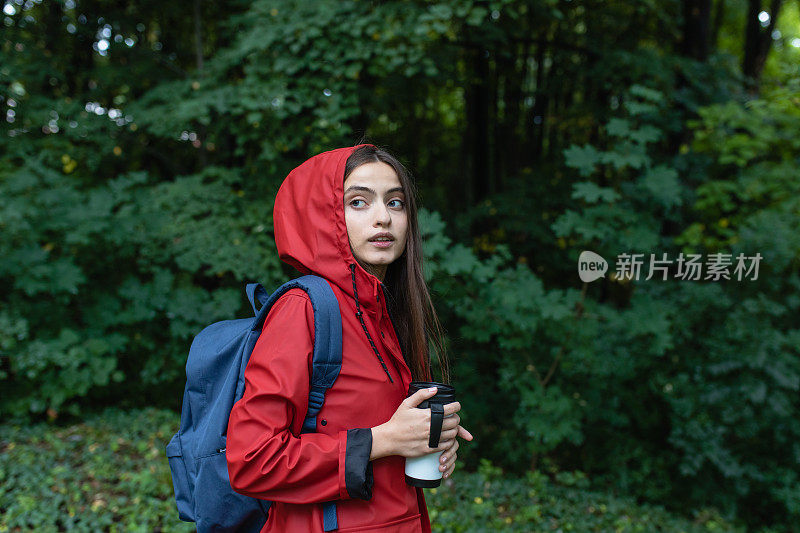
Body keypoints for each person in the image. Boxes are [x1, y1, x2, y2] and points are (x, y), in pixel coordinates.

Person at [226, 143, 474, 532]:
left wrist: (428, 441)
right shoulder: (303, 309)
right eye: (358, 202)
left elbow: (379, 431)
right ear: (324, 216)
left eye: (396, 203)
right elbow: (253, 461)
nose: (383, 218)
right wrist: (383, 441)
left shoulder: (382, 312)